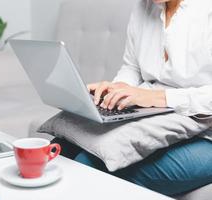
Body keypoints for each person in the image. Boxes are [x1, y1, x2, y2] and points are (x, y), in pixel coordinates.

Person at [52, 0, 212, 196]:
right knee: (58, 149)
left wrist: (158, 97)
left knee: (89, 166)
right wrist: (120, 89)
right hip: (159, 120)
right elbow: (132, 67)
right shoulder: (144, 6)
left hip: (206, 136)